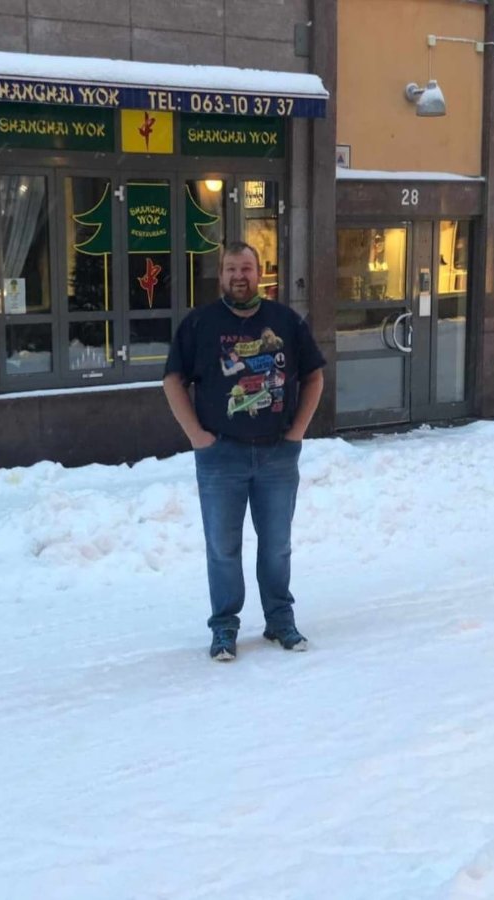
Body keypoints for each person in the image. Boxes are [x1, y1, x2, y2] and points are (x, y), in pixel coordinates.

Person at [163, 241, 325, 661]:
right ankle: (224, 627)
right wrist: (196, 436)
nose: (240, 276)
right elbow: (173, 380)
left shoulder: (285, 321)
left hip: (277, 455)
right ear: (221, 275)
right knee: (222, 547)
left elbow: (314, 376)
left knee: (277, 545)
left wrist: (297, 432)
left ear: (259, 273)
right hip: (221, 456)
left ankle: (280, 620)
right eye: (232, 268)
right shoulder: (200, 324)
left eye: (247, 268)